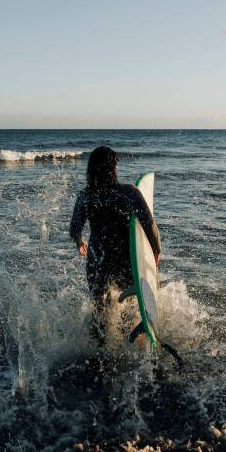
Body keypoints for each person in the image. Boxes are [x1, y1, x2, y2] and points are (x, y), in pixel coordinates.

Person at [70, 146, 161, 345]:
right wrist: (156, 252)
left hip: (98, 261)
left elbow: (74, 228)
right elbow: (149, 225)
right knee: (127, 305)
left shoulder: (85, 196)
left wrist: (80, 243)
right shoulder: (128, 193)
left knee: (99, 308)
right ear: (113, 168)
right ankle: (126, 344)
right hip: (124, 261)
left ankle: (97, 352)